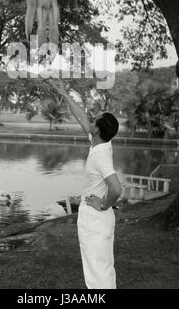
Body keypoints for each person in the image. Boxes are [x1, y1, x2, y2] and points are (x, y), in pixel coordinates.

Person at [53, 80, 122, 289]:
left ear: (98, 129)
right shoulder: (100, 142)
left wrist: (103, 204)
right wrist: (65, 95)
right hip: (97, 220)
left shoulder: (101, 155)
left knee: (97, 275)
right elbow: (81, 116)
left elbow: (117, 188)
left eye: (95, 120)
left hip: (96, 219)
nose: (90, 120)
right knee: (101, 270)